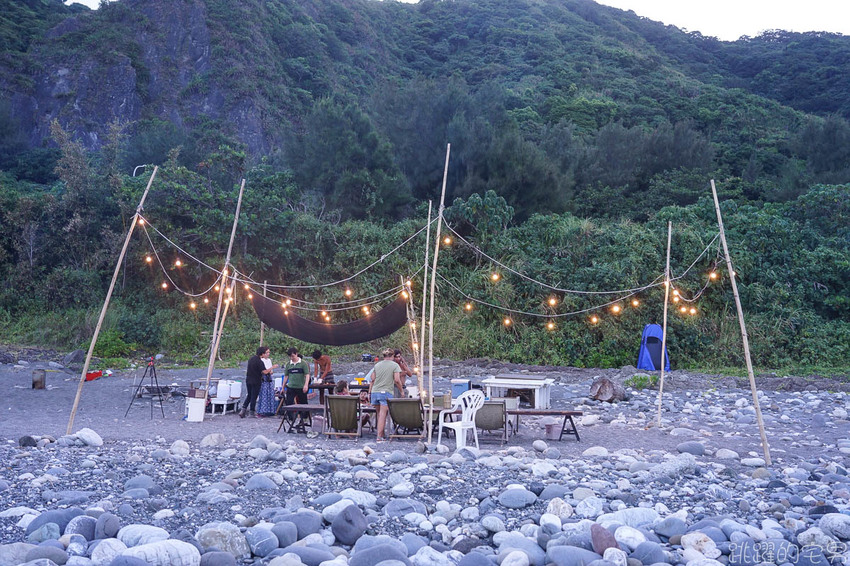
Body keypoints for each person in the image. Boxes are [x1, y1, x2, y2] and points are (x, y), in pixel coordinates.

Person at [368, 348, 403, 442]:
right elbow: (397, 380)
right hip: (385, 392)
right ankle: (379, 437)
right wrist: (401, 391)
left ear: (383, 356)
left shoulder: (377, 365)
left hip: (375, 391)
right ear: (392, 356)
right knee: (383, 414)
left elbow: (372, 379)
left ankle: (381, 434)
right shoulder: (395, 365)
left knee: (379, 414)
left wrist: (369, 392)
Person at [282, 347, 311, 431]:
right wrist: (283, 387)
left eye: (293, 356)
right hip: (291, 386)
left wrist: (306, 385)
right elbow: (286, 376)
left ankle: (304, 418)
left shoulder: (303, 363)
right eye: (290, 356)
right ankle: (291, 419)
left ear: (296, 354)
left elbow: (307, 375)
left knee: (303, 403)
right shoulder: (288, 364)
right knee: (289, 402)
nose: (292, 358)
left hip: (301, 387)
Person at [241, 346, 270, 418]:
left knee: (249, 395)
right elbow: (265, 372)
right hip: (256, 380)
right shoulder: (260, 362)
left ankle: (243, 410)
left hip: (248, 379)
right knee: (254, 396)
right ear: (262, 354)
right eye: (265, 353)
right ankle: (251, 412)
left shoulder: (251, 359)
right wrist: (273, 367)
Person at [255, 351, 279, 418]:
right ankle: (262, 411)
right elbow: (264, 371)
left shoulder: (269, 360)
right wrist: (272, 368)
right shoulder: (261, 361)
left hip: (269, 378)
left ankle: (270, 410)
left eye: (268, 352)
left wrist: (270, 370)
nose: (268, 354)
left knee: (270, 393)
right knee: (264, 394)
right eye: (267, 353)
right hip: (264, 379)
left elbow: (271, 372)